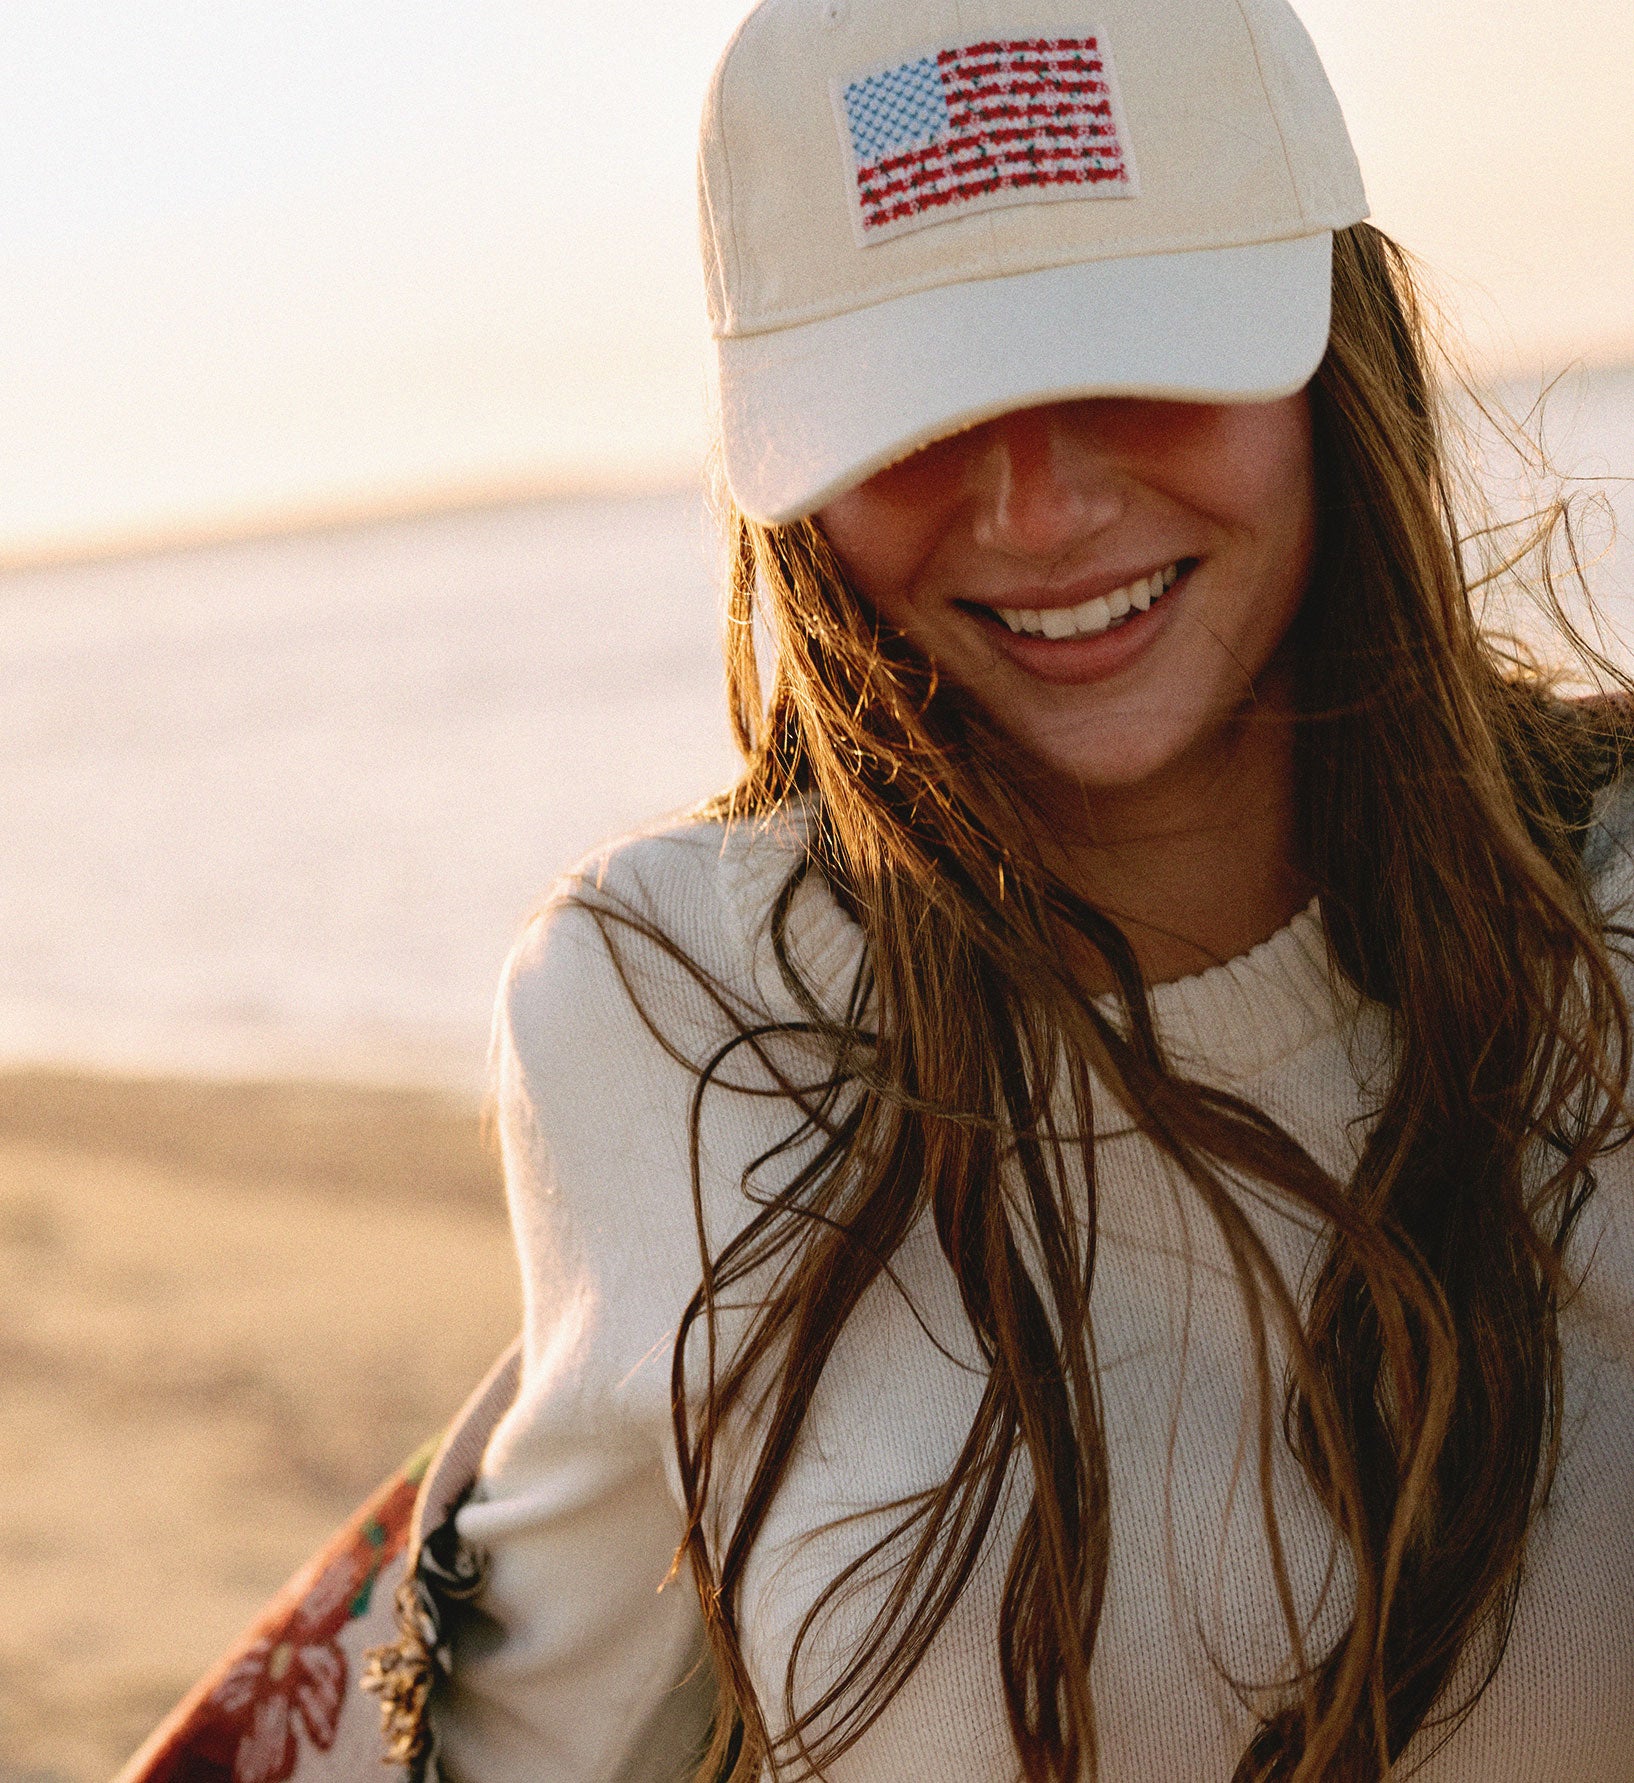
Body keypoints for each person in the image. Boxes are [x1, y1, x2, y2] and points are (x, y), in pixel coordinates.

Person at [426, 1, 1634, 1778]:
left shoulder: (1606, 910)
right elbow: (537, 1727)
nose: (1032, 505)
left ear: (1330, 341)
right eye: (904, 412)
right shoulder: (678, 1006)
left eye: (1127, 356)